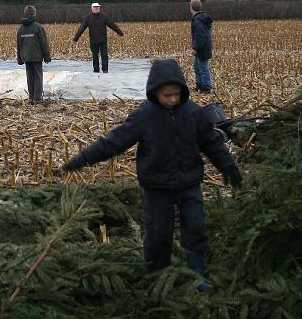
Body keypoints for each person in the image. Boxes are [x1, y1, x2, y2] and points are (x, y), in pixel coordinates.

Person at [61, 58, 242, 290]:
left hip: (189, 184)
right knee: (158, 235)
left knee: (196, 228)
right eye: (167, 95)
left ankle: (196, 274)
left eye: (176, 94)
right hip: (157, 188)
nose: (172, 99)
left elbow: (212, 144)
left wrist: (229, 168)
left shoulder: (194, 113)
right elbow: (113, 143)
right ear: (154, 91)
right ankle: (157, 278)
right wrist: (82, 159)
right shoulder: (144, 116)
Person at [72, 2, 124, 73]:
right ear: (92, 8)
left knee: (104, 55)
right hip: (93, 41)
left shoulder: (104, 17)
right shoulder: (88, 18)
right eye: (95, 7)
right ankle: (96, 69)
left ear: (99, 8)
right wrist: (76, 38)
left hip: (103, 40)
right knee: (95, 56)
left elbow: (112, 25)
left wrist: (120, 33)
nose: (96, 8)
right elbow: (82, 28)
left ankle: (105, 69)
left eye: (98, 7)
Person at [16, 5, 51, 103]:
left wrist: (19, 58)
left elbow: (19, 45)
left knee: (30, 77)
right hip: (36, 57)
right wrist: (47, 57)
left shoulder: (20, 29)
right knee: (38, 77)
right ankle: (37, 98)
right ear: (34, 14)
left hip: (26, 57)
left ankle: (31, 97)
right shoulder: (38, 27)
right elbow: (43, 43)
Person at [190, 0, 213, 93]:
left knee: (203, 68)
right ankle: (199, 85)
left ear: (191, 8)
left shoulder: (198, 20)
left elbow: (200, 36)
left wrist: (195, 48)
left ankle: (206, 87)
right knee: (197, 67)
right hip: (204, 47)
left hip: (202, 49)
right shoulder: (201, 18)